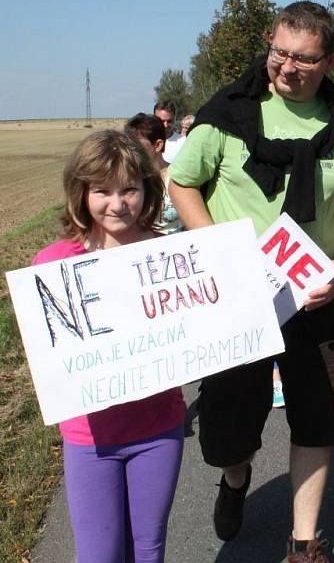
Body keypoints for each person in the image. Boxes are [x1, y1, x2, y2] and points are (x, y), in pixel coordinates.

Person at [168, 0, 334, 562]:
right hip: (239, 297)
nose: (286, 67)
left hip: (316, 294)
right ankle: (235, 479)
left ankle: (304, 541)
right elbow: (183, 185)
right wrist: (220, 249)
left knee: (318, 418)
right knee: (229, 428)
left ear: (330, 61)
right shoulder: (227, 112)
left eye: (304, 59)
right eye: (279, 53)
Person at [32, 130, 186, 562]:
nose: (117, 204)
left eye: (130, 190)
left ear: (147, 190)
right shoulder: (53, 263)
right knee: (100, 553)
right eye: (102, 191)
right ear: (80, 193)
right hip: (90, 436)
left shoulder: (171, 255)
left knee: (148, 548)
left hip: (158, 429)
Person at [124, 113, 183, 234]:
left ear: (157, 145)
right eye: (126, 146)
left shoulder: (179, 178)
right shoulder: (127, 180)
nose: (129, 151)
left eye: (135, 146)